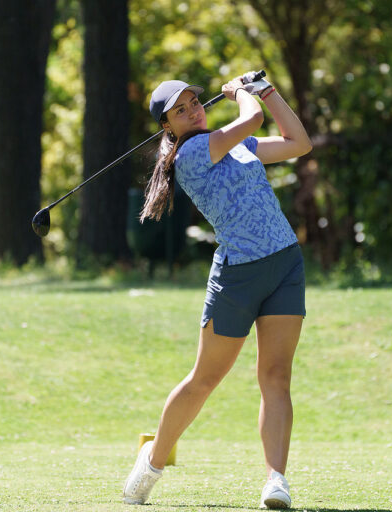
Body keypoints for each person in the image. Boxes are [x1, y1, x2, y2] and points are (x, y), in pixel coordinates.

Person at [122, 71, 312, 509]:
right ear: (168, 127)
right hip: (238, 277)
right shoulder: (190, 152)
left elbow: (298, 143)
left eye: (194, 102)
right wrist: (243, 94)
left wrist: (267, 92)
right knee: (205, 379)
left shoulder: (234, 145)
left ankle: (276, 480)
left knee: (276, 376)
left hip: (284, 263)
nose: (193, 111)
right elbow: (251, 120)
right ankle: (151, 464)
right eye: (181, 110)